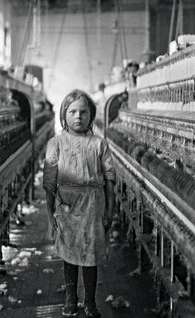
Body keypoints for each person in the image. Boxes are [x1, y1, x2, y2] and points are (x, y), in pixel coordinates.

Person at [42, 89, 116, 317]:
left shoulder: (99, 143)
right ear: (63, 115)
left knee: (90, 257)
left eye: (84, 112)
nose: (78, 117)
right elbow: (49, 184)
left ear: (91, 116)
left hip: (94, 205)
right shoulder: (56, 144)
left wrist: (110, 211)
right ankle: (71, 299)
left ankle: (90, 302)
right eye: (72, 111)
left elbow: (110, 180)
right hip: (66, 205)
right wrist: (49, 216)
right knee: (70, 255)